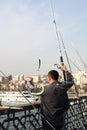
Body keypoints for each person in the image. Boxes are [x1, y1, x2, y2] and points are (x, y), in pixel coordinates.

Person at [31, 65, 74, 130]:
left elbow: (32, 90)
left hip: (48, 122)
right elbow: (71, 81)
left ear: (49, 78)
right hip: (60, 120)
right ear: (57, 78)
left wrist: (29, 81)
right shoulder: (63, 86)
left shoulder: (44, 89)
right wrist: (66, 71)